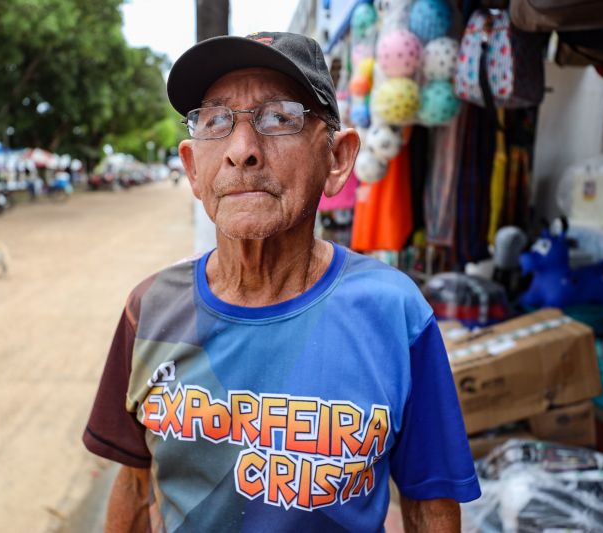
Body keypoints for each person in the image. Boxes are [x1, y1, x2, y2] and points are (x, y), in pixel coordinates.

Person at [83, 32, 480, 533]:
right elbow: (136, 487)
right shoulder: (150, 310)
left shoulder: (393, 312)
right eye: (216, 121)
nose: (242, 151)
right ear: (192, 167)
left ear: (336, 160)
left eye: (279, 118)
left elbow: (430, 503)